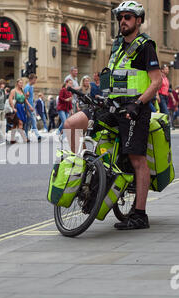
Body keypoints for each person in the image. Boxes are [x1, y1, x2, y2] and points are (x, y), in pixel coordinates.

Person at [64, 1, 162, 230]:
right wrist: (98, 96)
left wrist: (138, 103)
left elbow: (156, 81)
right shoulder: (117, 45)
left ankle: (140, 214)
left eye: (128, 17)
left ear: (138, 21)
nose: (123, 21)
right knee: (71, 124)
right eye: (120, 17)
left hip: (134, 109)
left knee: (138, 160)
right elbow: (111, 77)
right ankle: (84, 174)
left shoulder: (146, 46)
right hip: (110, 106)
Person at [8, 78, 33, 144]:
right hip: (17, 107)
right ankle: (25, 138)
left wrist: (30, 106)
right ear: (17, 83)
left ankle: (12, 139)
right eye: (20, 83)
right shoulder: (13, 90)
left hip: (22, 108)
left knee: (15, 124)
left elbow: (25, 100)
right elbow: (10, 99)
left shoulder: (22, 91)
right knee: (20, 123)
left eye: (22, 83)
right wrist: (13, 108)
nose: (21, 84)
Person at [23, 73, 42, 142]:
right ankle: (38, 136)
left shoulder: (31, 87)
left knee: (28, 122)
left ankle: (26, 136)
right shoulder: (27, 87)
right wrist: (29, 107)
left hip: (32, 106)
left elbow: (31, 98)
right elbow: (25, 99)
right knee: (33, 121)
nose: (35, 81)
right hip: (29, 107)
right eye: (34, 80)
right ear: (31, 79)